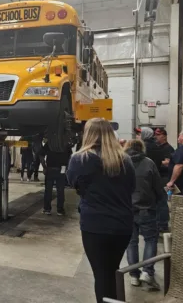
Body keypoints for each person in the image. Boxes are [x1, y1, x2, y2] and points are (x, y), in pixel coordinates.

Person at [67, 118, 135, 303]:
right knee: (112, 271)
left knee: (102, 275)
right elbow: (131, 187)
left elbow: (73, 183)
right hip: (123, 224)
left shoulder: (80, 158)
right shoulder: (125, 160)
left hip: (95, 225)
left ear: (87, 134)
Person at [124, 139, 164, 291]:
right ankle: (147, 272)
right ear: (142, 148)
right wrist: (160, 202)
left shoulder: (121, 163)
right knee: (150, 240)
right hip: (146, 208)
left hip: (127, 209)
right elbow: (158, 187)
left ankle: (134, 275)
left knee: (131, 243)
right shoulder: (149, 163)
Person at [137, 126, 169, 232]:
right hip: (157, 176)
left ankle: (149, 224)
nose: (137, 136)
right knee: (160, 199)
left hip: (146, 177)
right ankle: (162, 223)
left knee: (146, 201)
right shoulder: (157, 146)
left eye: (139, 134)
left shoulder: (144, 147)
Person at [42, 144, 71, 216]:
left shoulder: (50, 142)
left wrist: (44, 166)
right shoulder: (65, 143)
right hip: (62, 169)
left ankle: (47, 209)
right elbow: (70, 156)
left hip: (50, 168)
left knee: (48, 190)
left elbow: (41, 154)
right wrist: (67, 167)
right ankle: (60, 210)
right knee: (60, 190)